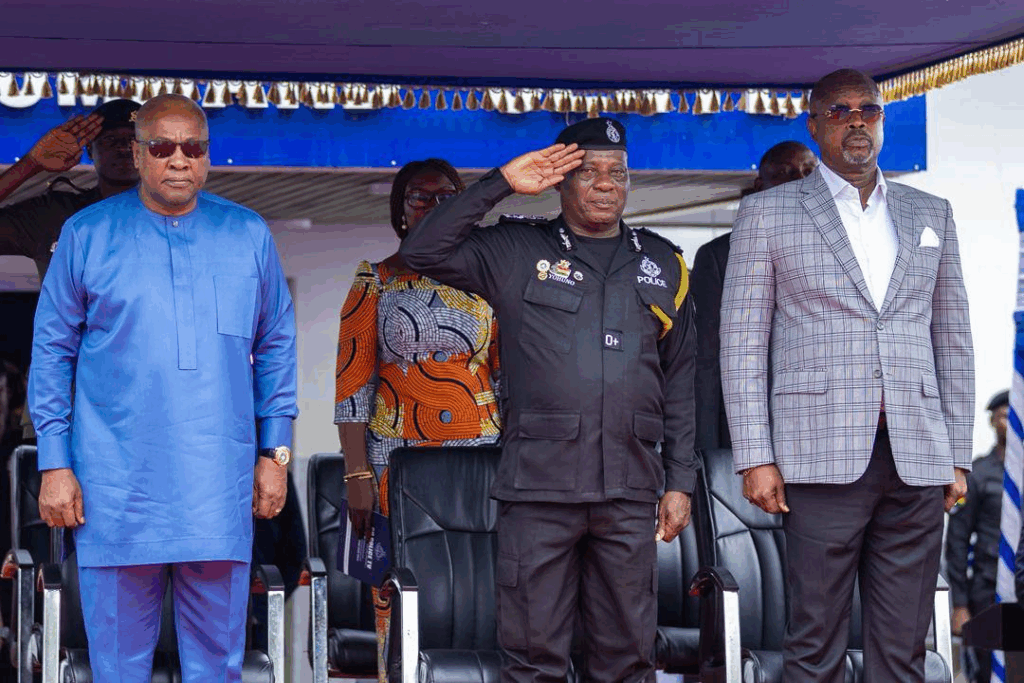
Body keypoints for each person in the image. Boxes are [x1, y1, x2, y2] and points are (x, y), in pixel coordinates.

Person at [400, 118, 697, 683]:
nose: (606, 185)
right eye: (590, 172)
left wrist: (680, 480)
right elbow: (422, 250)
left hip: (628, 491)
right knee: (534, 658)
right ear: (561, 181)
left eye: (618, 174)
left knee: (628, 659)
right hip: (540, 490)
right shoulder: (516, 248)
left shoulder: (665, 265)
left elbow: (682, 378)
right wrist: (502, 182)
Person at [28, 94, 297, 683]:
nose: (179, 160)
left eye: (193, 148)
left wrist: (274, 454)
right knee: (118, 666)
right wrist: (54, 464)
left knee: (218, 664)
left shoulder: (247, 234)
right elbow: (51, 354)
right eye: (162, 147)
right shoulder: (86, 234)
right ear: (137, 153)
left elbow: (276, 345)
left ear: (206, 156)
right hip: (114, 486)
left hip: (218, 487)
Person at [721, 68, 974, 682]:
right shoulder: (768, 212)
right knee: (815, 644)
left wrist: (957, 451)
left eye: (869, 109)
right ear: (814, 125)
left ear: (882, 121)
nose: (857, 120)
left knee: (904, 648)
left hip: (916, 456)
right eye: (839, 111)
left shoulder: (928, 211)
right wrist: (755, 455)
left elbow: (954, 336)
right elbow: (743, 341)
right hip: (819, 454)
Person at [334, 158, 502, 683]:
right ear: (401, 212)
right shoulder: (376, 280)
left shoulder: (492, 277)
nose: (434, 205)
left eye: (447, 195)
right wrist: (357, 474)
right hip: (395, 462)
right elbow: (352, 386)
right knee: (399, 589)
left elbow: (507, 379)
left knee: (481, 590)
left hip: (481, 457)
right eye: (419, 197)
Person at [690, 141, 817, 450]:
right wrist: (704, 451)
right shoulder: (719, 256)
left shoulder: (843, 250)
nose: (799, 180)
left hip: (821, 430)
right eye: (786, 173)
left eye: (808, 171)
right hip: (749, 435)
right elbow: (707, 361)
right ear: (762, 185)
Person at [0, 98, 140, 281]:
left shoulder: (177, 215)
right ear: (90, 150)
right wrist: (30, 165)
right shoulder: (54, 213)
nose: (124, 148)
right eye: (110, 139)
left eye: (135, 139)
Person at [945, 390, 1009, 682]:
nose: (1011, 423)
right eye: (1004, 417)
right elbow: (957, 541)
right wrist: (960, 605)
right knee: (988, 671)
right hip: (988, 592)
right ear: (992, 422)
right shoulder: (979, 475)